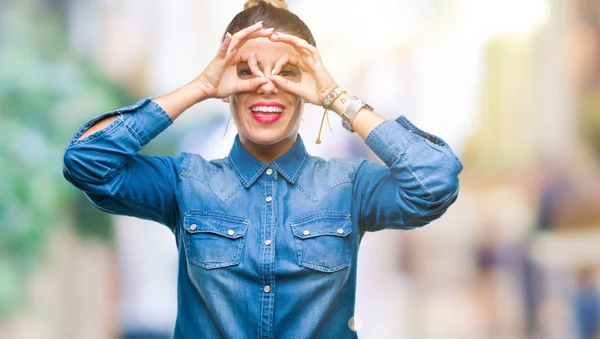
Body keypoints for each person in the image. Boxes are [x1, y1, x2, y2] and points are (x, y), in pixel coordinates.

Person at [62, 0, 463, 337]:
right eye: (246, 72)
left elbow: (435, 180)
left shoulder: (349, 186)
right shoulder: (185, 182)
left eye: (287, 73)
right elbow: (87, 161)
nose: (267, 86)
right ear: (227, 89)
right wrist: (199, 86)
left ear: (308, 88)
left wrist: (337, 98)